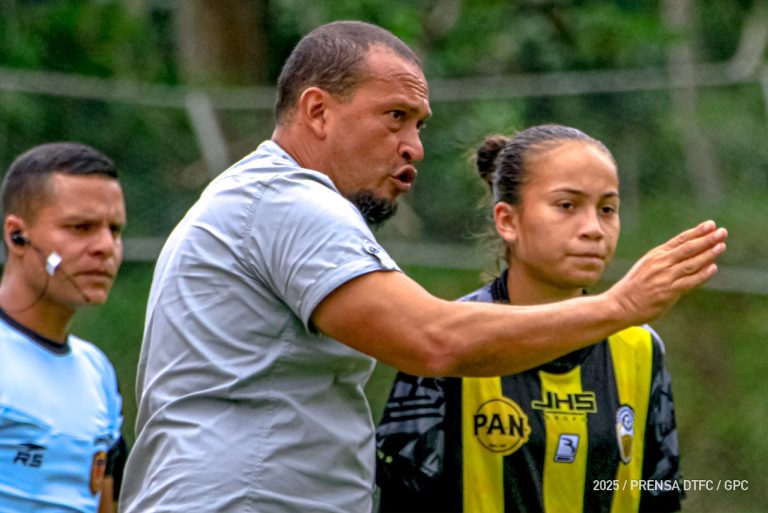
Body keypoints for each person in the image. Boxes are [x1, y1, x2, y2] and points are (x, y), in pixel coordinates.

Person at [119, 21, 726, 513]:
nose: (415, 146)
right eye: (395, 117)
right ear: (318, 111)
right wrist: (619, 305)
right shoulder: (288, 201)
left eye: (419, 124)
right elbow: (432, 340)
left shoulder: (268, 198)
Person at [376, 124, 684, 513]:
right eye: (567, 205)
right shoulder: (447, 340)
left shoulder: (641, 347)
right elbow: (402, 497)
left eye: (607, 209)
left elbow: (659, 496)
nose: (593, 229)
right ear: (507, 221)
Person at [0, 142, 128, 513]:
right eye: (81, 227)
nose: (105, 247)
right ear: (17, 236)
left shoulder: (97, 371)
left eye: (115, 230)